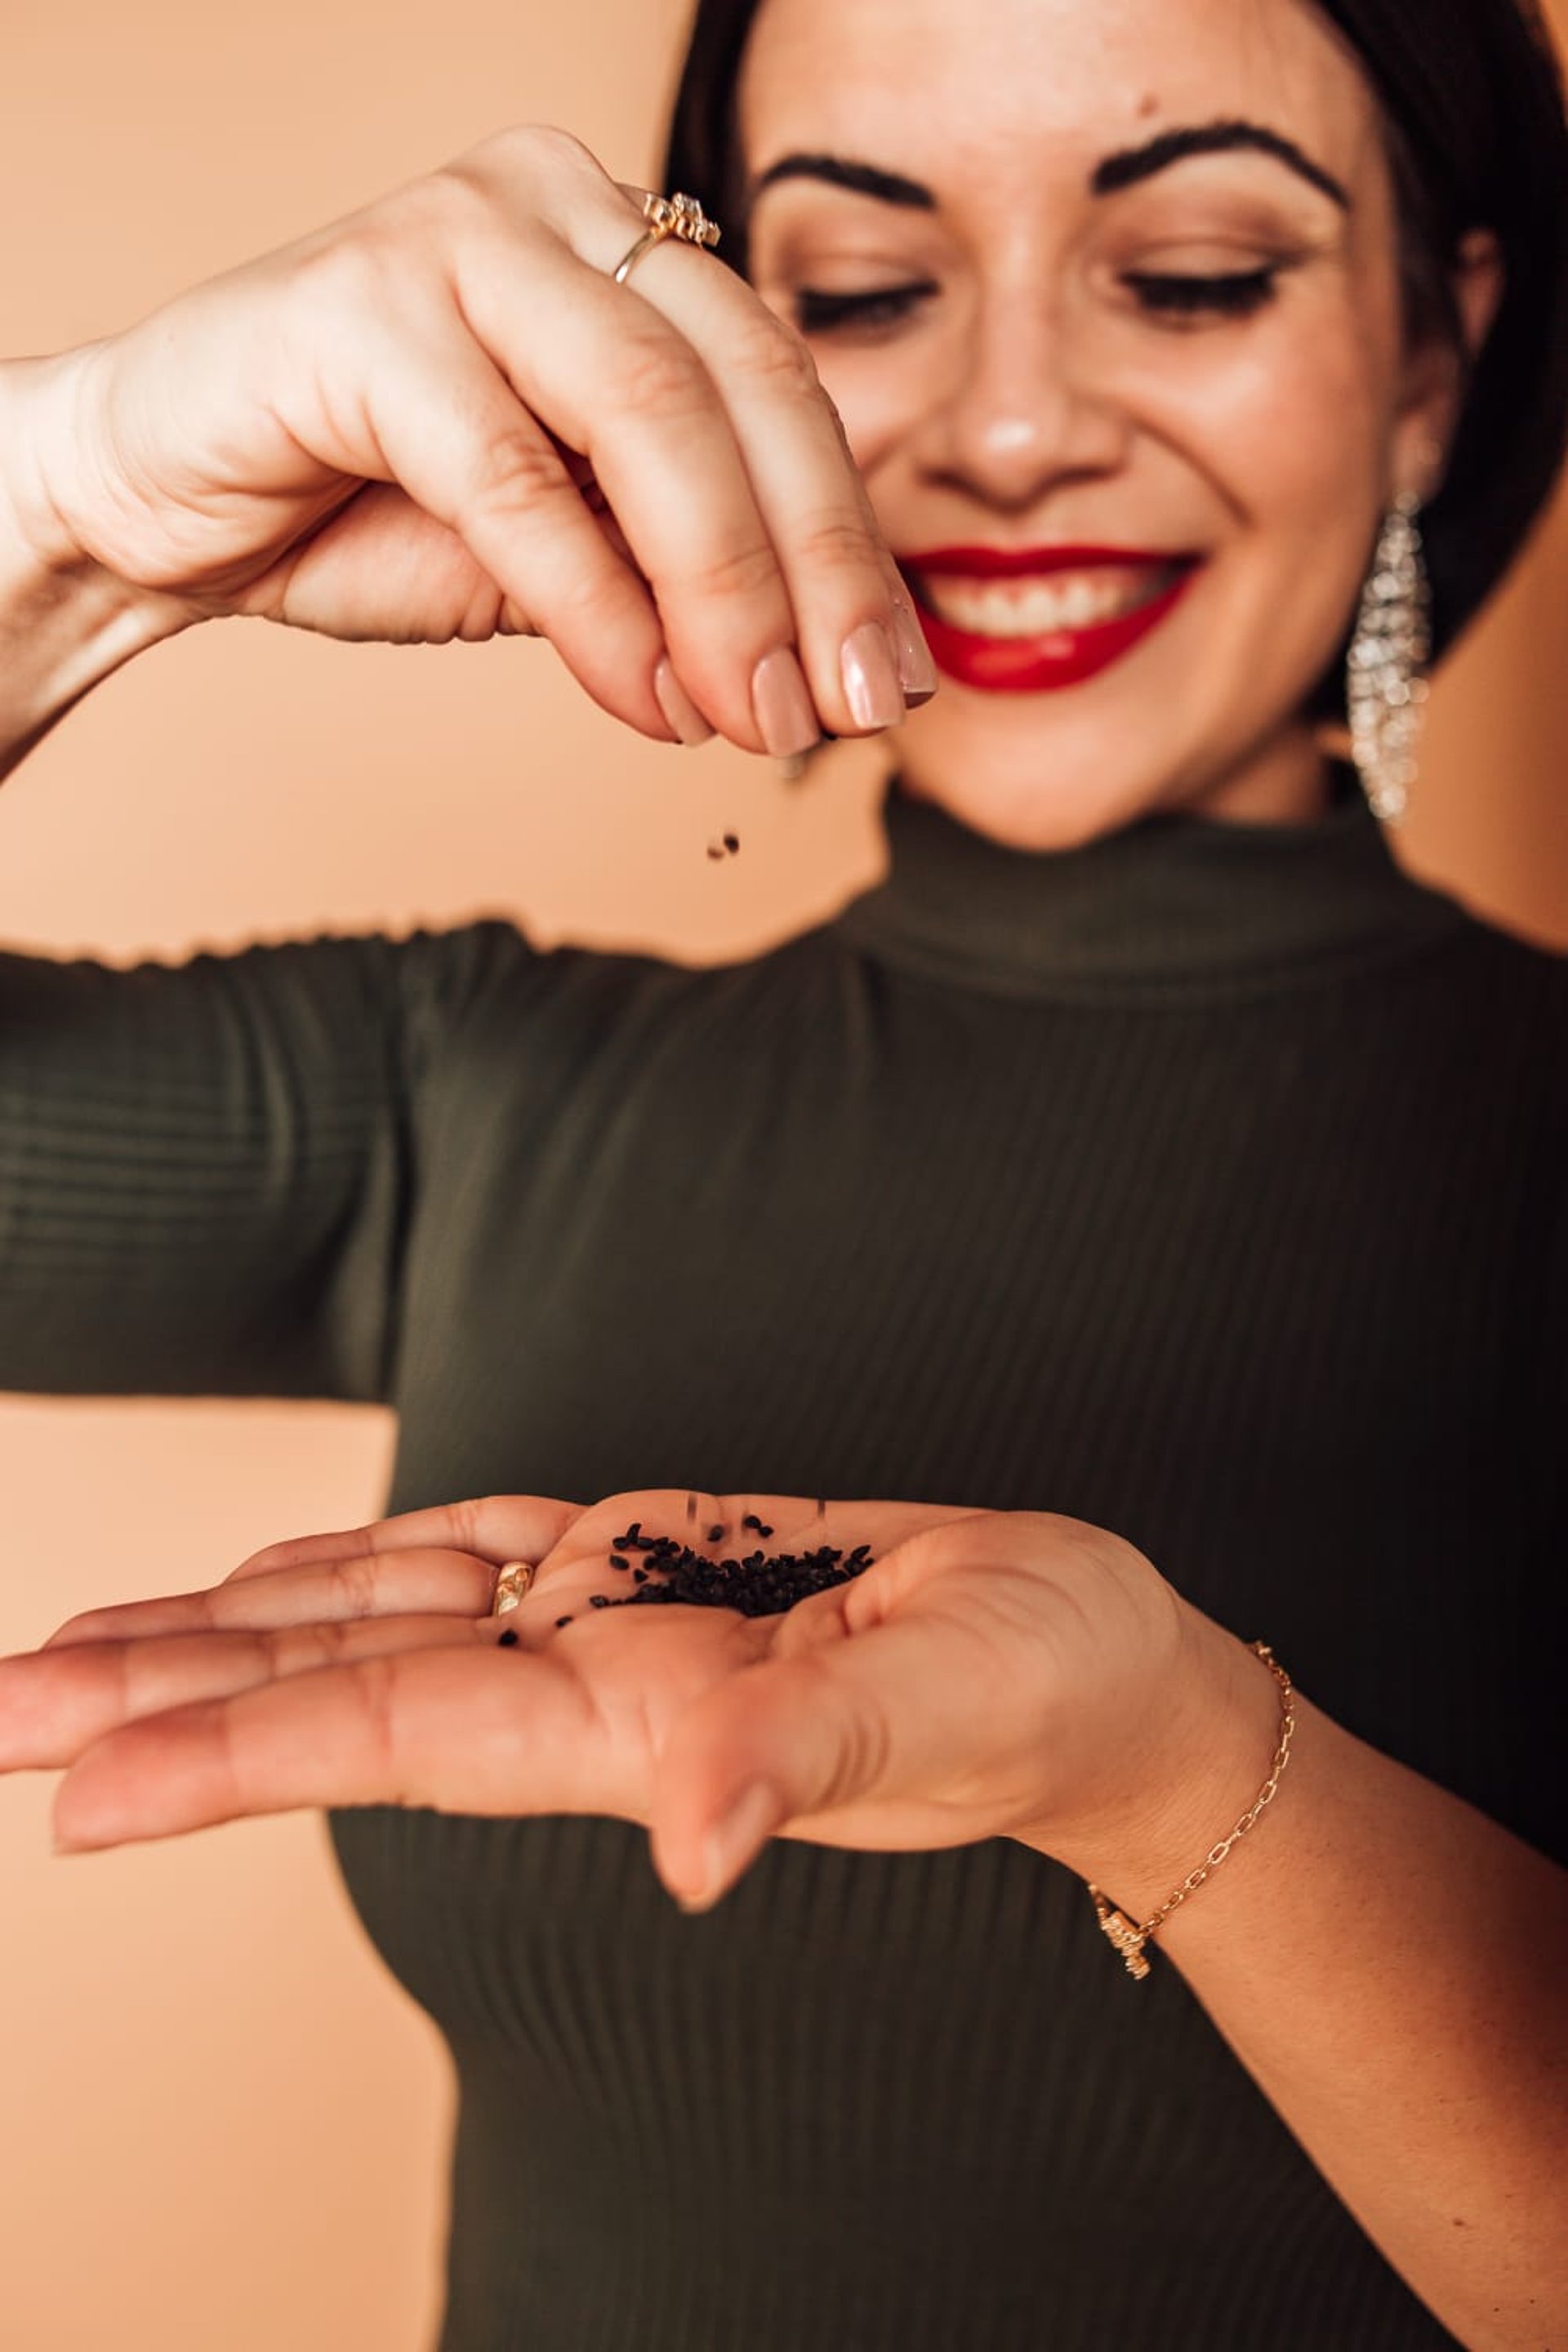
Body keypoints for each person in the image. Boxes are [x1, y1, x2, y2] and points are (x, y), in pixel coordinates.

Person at [0, 0, 1564, 2344]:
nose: (1012, 432)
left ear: (1436, 354)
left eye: (1196, 274)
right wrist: (68, 513)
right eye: (862, 288)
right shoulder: (476, 1089)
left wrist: (1177, 1771)